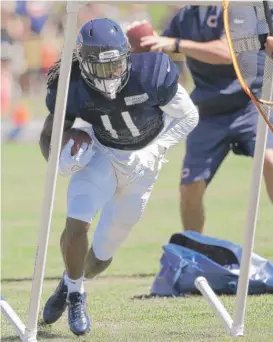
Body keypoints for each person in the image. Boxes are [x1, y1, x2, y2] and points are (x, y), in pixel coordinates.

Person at [40, 18, 198, 336]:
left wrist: (157, 147)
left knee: (99, 259)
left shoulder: (152, 72)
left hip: (143, 169)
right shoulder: (69, 86)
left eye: (114, 65)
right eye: (99, 68)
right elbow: (49, 136)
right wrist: (60, 157)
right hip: (103, 154)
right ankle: (75, 296)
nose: (109, 75)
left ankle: (68, 282)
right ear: (83, 64)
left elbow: (189, 115)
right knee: (77, 221)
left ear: (126, 56)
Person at [141, 6, 273, 234]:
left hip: (250, 104)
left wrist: (177, 44)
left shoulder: (236, 9)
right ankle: (196, 251)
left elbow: (226, 52)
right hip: (207, 111)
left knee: (271, 161)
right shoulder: (184, 16)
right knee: (190, 189)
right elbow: (162, 49)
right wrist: (137, 43)